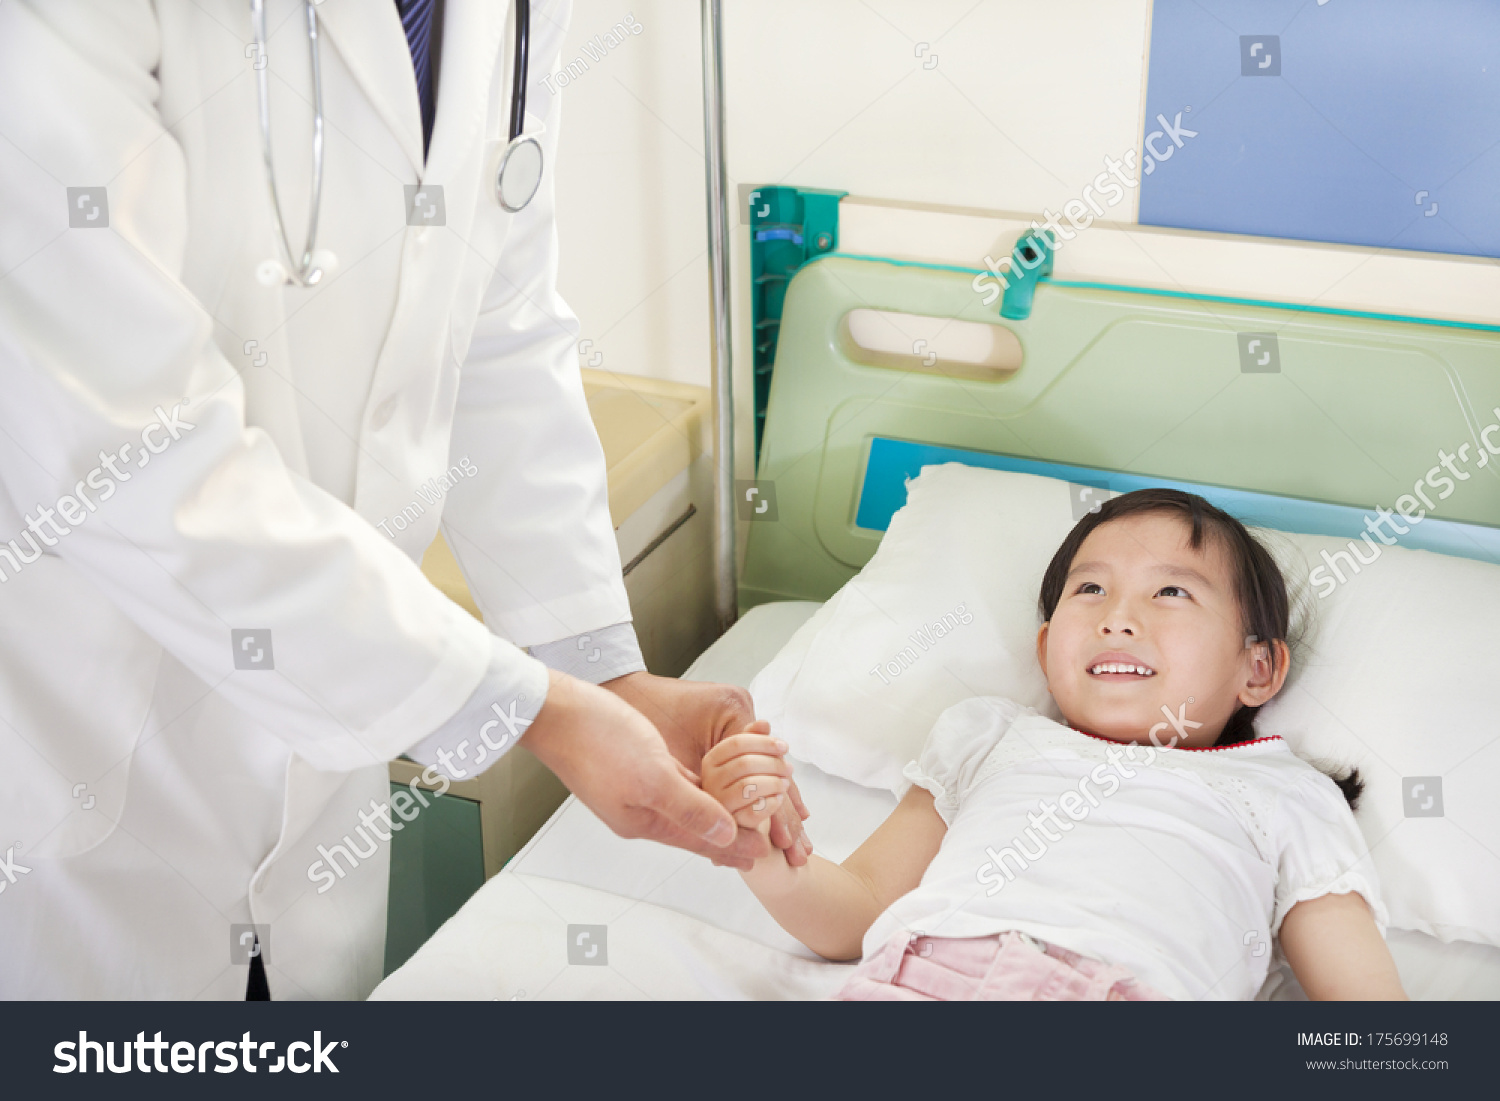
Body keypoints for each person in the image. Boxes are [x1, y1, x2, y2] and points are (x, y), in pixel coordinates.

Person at [0, 0, 806, 1000]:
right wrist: (529, 709)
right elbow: (127, 451)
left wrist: (598, 673)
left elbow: (494, 328)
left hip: (320, 800)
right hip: (81, 768)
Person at [704, 489, 1405, 1000]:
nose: (1118, 619)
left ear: (1258, 667)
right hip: (909, 980)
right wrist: (765, 852)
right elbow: (859, 910)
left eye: (1171, 594)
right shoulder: (989, 736)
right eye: (1091, 588)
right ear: (1046, 648)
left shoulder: (1283, 793)